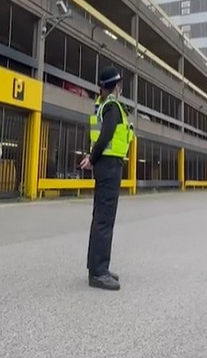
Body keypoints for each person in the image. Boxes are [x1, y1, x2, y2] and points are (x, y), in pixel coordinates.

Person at [79, 65, 134, 291]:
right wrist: (92, 158)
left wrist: (92, 158)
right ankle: (99, 273)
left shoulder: (101, 106)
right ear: (116, 86)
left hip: (106, 165)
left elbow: (100, 137)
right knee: (105, 219)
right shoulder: (112, 106)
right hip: (109, 166)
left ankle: (97, 267)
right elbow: (107, 135)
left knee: (100, 218)